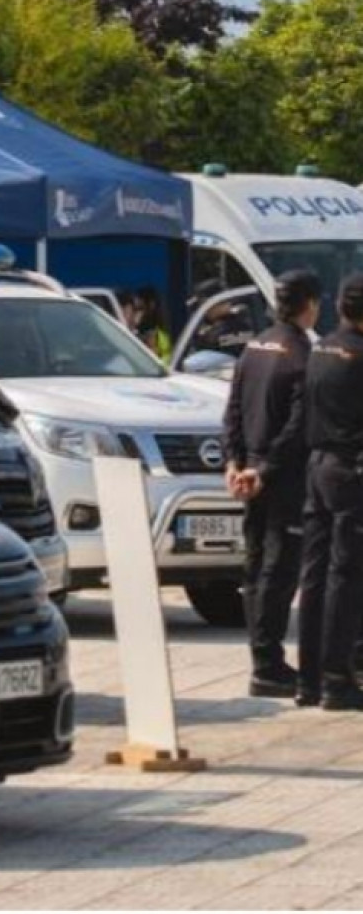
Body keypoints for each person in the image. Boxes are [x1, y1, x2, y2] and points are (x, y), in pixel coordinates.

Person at [223, 269, 321, 698]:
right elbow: (298, 426)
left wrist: (235, 461)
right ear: (311, 304)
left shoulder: (253, 347)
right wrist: (261, 471)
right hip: (279, 480)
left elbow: (233, 411)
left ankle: (261, 659)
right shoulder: (301, 354)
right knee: (279, 573)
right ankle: (268, 664)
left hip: (251, 474)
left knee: (256, 568)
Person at [298, 272, 363, 710]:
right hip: (349, 472)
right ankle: (337, 679)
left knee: (315, 575)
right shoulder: (359, 355)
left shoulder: (319, 347)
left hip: (317, 466)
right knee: (346, 577)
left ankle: (309, 679)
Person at [136, 286, 172, 363]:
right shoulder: (162, 322)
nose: (138, 313)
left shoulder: (148, 324)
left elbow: (152, 349)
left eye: (140, 308)